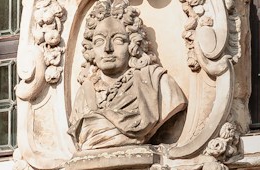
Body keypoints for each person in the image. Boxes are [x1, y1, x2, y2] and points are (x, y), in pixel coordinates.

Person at [68, 0, 187, 149]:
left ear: (133, 45)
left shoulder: (158, 84)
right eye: (99, 41)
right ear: (91, 48)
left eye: (118, 40)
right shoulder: (84, 94)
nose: (107, 48)